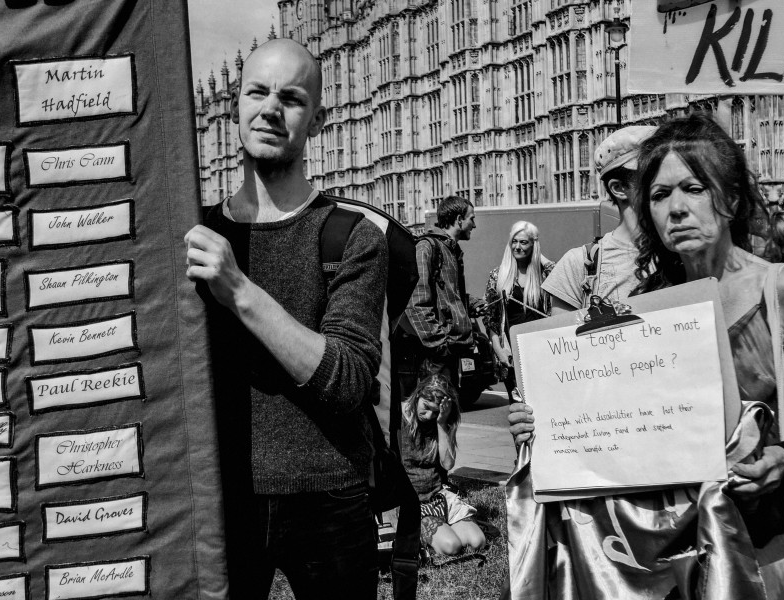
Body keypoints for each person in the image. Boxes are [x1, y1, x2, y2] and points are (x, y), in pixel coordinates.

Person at [508, 114, 784, 598]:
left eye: (693, 188)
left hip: (769, 542)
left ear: (732, 199)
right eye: (659, 196)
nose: (675, 209)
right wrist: (544, 425)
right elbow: (617, 418)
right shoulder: (648, 306)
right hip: (679, 552)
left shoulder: (783, 289)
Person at [185, 39, 387, 599]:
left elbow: (348, 381)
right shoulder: (194, 235)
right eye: (258, 92)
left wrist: (238, 289)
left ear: (316, 119)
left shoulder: (353, 236)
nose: (271, 109)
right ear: (235, 106)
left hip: (330, 499)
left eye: (291, 98)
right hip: (221, 499)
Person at [543, 126, 656, 313]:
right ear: (618, 188)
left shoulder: (685, 255)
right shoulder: (578, 265)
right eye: (651, 174)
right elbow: (564, 339)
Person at [399, 372, 486, 556]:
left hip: (438, 497)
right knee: (451, 546)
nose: (429, 415)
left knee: (477, 542)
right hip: (413, 502)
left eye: (436, 411)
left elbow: (447, 464)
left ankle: (443, 528)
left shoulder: (441, 421)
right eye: (426, 407)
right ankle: (425, 532)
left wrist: (441, 423)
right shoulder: (399, 417)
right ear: (418, 394)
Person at [404, 195, 476, 397]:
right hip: (437, 355)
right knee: (432, 418)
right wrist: (439, 344)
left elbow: (450, 296)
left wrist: (475, 304)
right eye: (472, 218)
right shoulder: (427, 247)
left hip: (450, 351)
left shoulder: (451, 250)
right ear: (459, 219)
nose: (474, 225)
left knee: (446, 419)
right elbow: (416, 302)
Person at [483, 221, 554, 400]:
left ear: (533, 244)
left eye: (524, 242)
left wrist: (539, 257)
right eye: (514, 241)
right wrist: (499, 350)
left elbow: (561, 275)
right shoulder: (498, 276)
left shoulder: (544, 274)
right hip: (512, 353)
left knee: (544, 404)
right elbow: (491, 318)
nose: (517, 246)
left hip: (540, 351)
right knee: (518, 407)